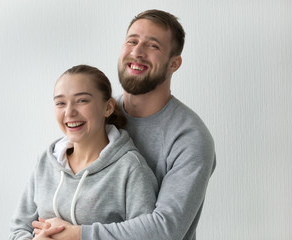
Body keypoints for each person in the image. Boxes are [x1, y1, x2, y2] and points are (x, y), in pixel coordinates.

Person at [33, 9, 216, 240]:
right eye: (132, 41)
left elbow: (166, 229)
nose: (137, 52)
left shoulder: (190, 138)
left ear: (174, 64)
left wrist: (77, 235)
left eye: (153, 46)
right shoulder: (95, 113)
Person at [9, 65, 158, 239]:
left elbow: (146, 236)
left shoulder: (131, 168)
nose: (69, 112)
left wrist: (77, 235)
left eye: (82, 101)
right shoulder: (46, 162)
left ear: (108, 107)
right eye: (60, 103)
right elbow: (18, 229)